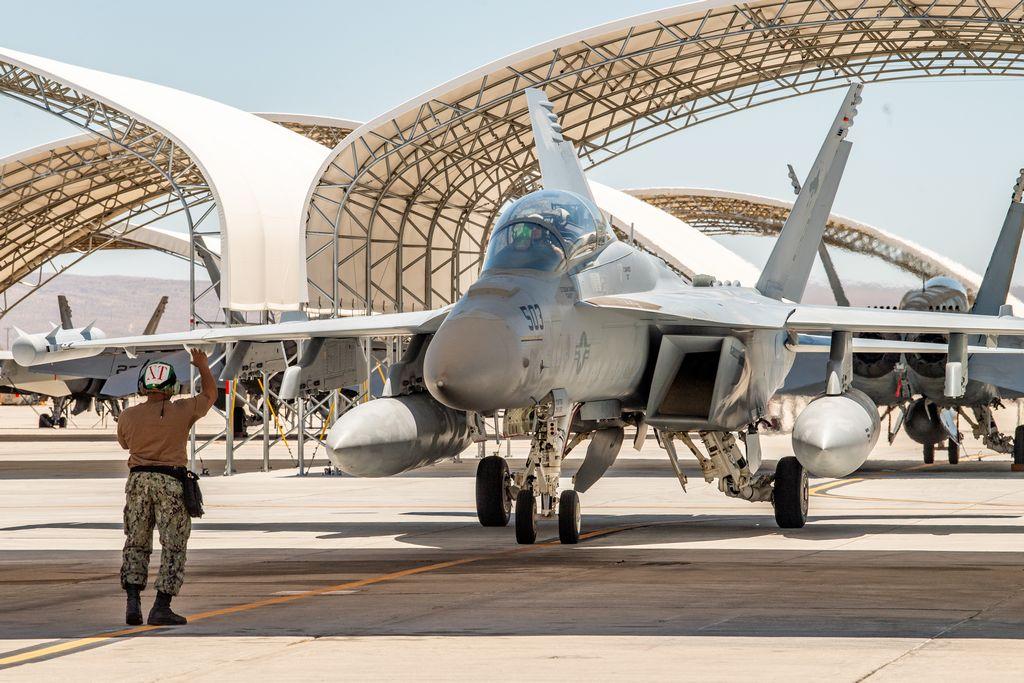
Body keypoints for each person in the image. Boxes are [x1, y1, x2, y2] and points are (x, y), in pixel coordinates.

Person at [117, 349, 217, 626]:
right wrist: (202, 366)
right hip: (170, 483)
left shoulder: (127, 416)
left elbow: (125, 444)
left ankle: (133, 603)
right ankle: (161, 606)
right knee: (174, 544)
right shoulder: (183, 410)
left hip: (137, 483)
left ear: (143, 386)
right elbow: (210, 395)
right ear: (171, 387)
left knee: (136, 541)